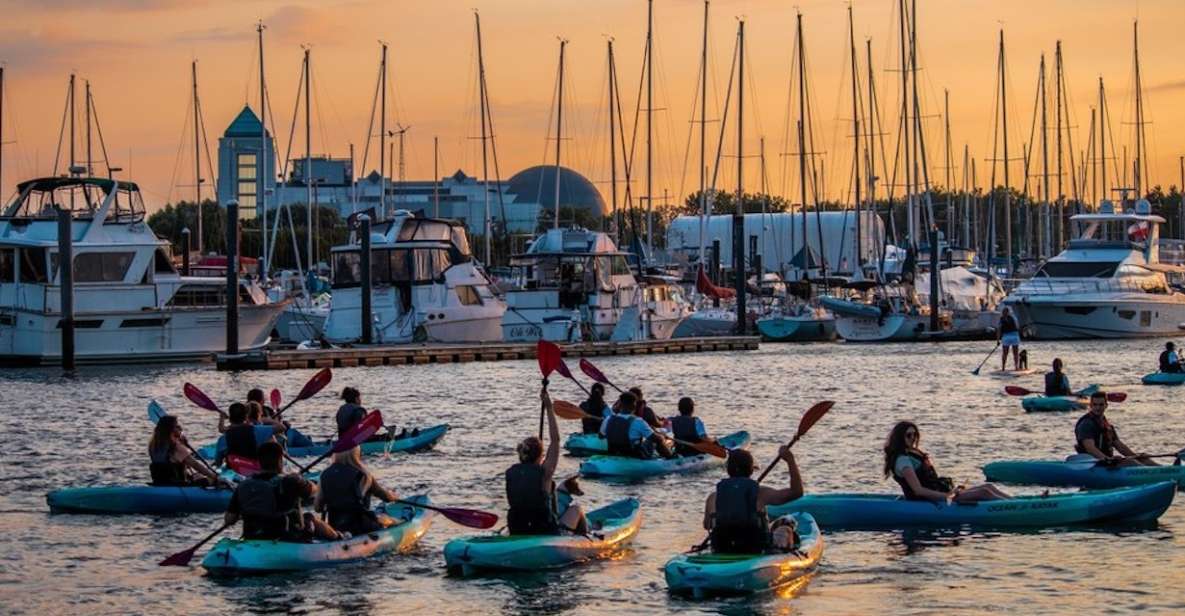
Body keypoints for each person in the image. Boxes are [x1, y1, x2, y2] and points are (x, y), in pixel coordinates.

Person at [506, 388, 588, 535]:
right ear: (541, 456)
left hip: (517, 528)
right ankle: (586, 538)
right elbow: (555, 440)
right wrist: (549, 407)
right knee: (576, 508)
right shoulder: (545, 474)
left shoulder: (510, 473)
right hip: (544, 530)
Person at [224, 442, 342, 541]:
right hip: (287, 535)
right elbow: (313, 491)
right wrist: (299, 479)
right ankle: (339, 538)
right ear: (280, 460)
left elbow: (229, 519)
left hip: (253, 534)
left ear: (258, 462)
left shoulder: (244, 485)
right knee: (310, 518)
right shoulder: (290, 480)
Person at [702, 447, 803, 554]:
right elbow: (796, 492)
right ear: (750, 469)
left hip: (722, 548)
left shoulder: (713, 497)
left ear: (728, 469)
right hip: (755, 548)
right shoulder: (760, 493)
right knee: (786, 522)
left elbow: (707, 525)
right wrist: (790, 460)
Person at [883, 421, 1010, 504]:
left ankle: (1017, 503)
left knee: (988, 487)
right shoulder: (903, 460)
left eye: (914, 435)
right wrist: (947, 496)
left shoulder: (912, 454)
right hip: (928, 500)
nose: (913, 438)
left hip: (938, 494)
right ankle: (1017, 507)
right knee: (984, 493)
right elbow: (918, 490)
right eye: (908, 435)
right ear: (900, 437)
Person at [315, 446, 399, 535]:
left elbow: (318, 508)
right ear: (356, 454)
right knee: (394, 521)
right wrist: (393, 497)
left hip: (335, 527)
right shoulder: (364, 475)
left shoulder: (324, 475)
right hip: (362, 526)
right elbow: (385, 497)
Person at [1074, 391, 1157, 467]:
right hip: (1093, 464)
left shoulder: (1107, 425)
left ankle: (1165, 471)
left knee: (1142, 458)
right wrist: (1108, 459)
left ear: (1106, 405)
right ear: (1090, 405)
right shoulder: (1086, 424)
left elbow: (1120, 446)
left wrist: (1135, 456)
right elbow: (1090, 448)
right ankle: (1149, 473)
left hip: (1107, 461)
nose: (1098, 408)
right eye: (1095, 405)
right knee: (1130, 462)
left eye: (1101, 405)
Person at [148, 415, 225, 487]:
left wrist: (182, 443)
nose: (180, 428)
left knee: (197, 476)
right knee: (212, 479)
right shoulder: (176, 447)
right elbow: (195, 464)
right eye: (177, 426)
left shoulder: (153, 446)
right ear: (171, 430)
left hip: (160, 483)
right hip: (178, 485)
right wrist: (214, 476)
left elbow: (171, 462)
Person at [600, 392, 673, 459]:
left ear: (620, 405)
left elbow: (601, 435)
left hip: (614, 452)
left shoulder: (608, 419)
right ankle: (671, 458)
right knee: (658, 439)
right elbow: (656, 439)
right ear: (634, 405)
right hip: (633, 455)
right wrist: (662, 437)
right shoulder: (638, 421)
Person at [213, 402, 284, 468]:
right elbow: (282, 427)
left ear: (230, 419)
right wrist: (267, 420)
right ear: (246, 417)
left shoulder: (223, 438)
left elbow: (218, 462)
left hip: (234, 470)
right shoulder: (257, 430)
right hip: (255, 469)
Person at [998, 306, 1021, 371]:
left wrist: (998, 340)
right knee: (1015, 353)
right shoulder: (1013, 318)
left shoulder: (1001, 319)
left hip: (1007, 337)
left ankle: (1003, 368)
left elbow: (999, 330)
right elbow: (1017, 327)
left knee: (1005, 353)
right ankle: (1016, 367)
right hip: (1014, 336)